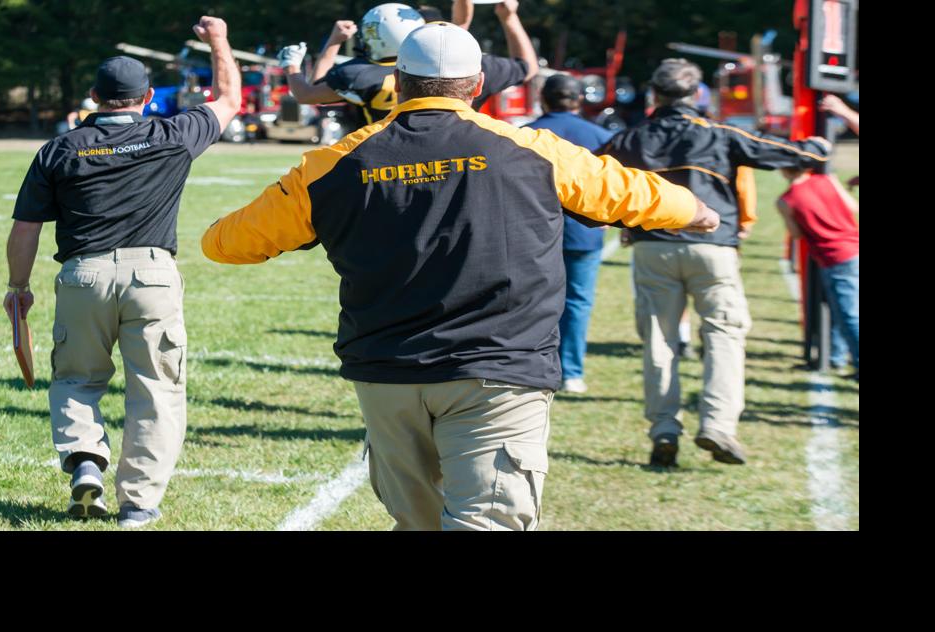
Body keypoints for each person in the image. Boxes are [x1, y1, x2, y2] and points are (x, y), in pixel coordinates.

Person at [201, 22, 713, 531]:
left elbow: (225, 243)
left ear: (397, 82)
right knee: (487, 522)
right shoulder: (533, 148)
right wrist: (696, 210)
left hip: (389, 374)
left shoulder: (335, 161)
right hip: (498, 370)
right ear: (475, 86)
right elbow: (627, 192)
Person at [4, 17, 243, 528]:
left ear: (93, 97)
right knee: (157, 389)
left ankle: (85, 459)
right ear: (149, 96)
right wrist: (219, 40)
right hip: (153, 276)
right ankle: (138, 502)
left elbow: (26, 228)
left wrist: (17, 288)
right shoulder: (173, 135)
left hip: (82, 274)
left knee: (75, 378)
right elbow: (228, 100)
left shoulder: (59, 149)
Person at [598, 59, 829, 467]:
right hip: (713, 246)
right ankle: (718, 425)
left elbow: (598, 177)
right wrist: (816, 148)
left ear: (655, 95)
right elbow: (775, 150)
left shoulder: (631, 138)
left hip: (653, 247)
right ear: (697, 95)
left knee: (659, 342)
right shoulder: (719, 132)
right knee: (724, 336)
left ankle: (664, 429)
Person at [282, 0, 536, 126]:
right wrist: (509, 17)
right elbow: (527, 66)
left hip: (385, 158)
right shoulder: (464, 64)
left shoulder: (359, 74)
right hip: (460, 155)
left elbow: (309, 92)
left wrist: (298, 62)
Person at [526, 73, 612, 394]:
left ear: (543, 99)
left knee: (531, 301)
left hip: (533, 231)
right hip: (584, 231)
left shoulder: (523, 134)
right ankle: (572, 371)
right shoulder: (601, 135)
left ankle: (534, 366)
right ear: (579, 100)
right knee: (577, 302)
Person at [776, 162, 858, 379]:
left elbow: (795, 234)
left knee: (848, 314)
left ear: (784, 170)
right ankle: (836, 357)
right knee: (840, 310)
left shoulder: (786, 201)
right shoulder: (827, 180)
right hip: (854, 248)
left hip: (833, 257)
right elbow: (853, 207)